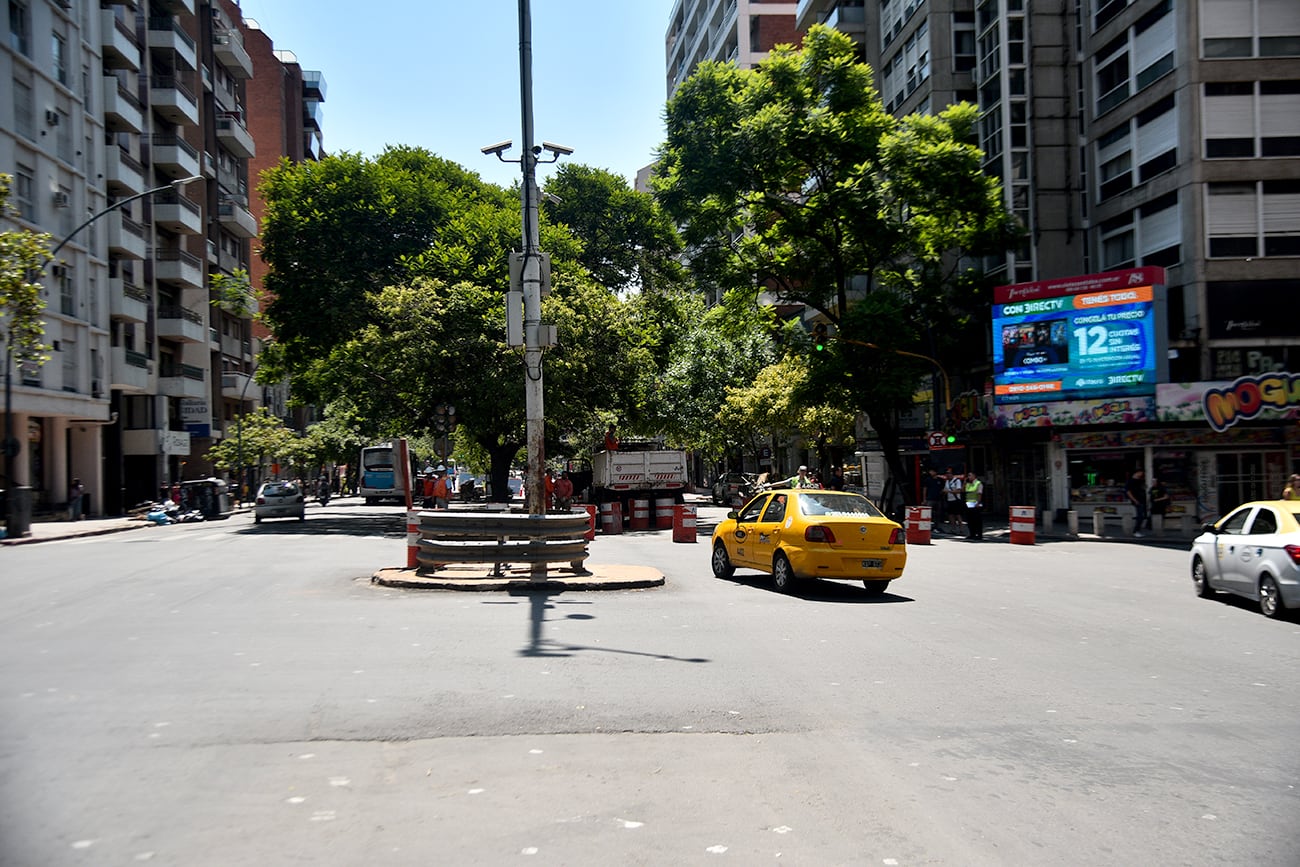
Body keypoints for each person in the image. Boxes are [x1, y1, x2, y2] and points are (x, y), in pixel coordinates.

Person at [963, 470, 984, 540]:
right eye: (968, 476)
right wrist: (964, 483)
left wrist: (978, 502)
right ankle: (972, 534)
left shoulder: (978, 483)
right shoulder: (968, 484)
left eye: (970, 475)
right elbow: (963, 491)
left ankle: (979, 534)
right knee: (970, 520)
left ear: (974, 476)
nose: (968, 477)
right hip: (968, 503)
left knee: (977, 520)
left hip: (976, 503)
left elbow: (979, 494)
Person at [1127, 469, 1147, 537]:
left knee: (1142, 516)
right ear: (1137, 473)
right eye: (1141, 473)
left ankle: (1138, 531)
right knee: (1140, 516)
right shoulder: (1130, 481)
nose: (1142, 474)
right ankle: (1136, 531)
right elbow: (1128, 492)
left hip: (1142, 500)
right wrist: (1135, 500)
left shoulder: (1140, 481)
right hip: (1137, 501)